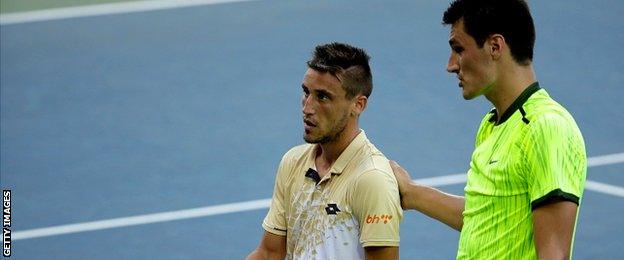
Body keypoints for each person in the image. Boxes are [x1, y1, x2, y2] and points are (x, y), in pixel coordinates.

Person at [390, 0, 586, 259]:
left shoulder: (546, 127)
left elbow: (554, 254)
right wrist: (412, 193)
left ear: (495, 46)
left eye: (458, 49)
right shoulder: (491, 124)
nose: (451, 65)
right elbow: (485, 216)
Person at [247, 42, 402, 260]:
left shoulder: (372, 179)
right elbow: (269, 253)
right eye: (306, 92)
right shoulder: (293, 161)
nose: (307, 108)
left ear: (358, 105)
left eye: (323, 97)